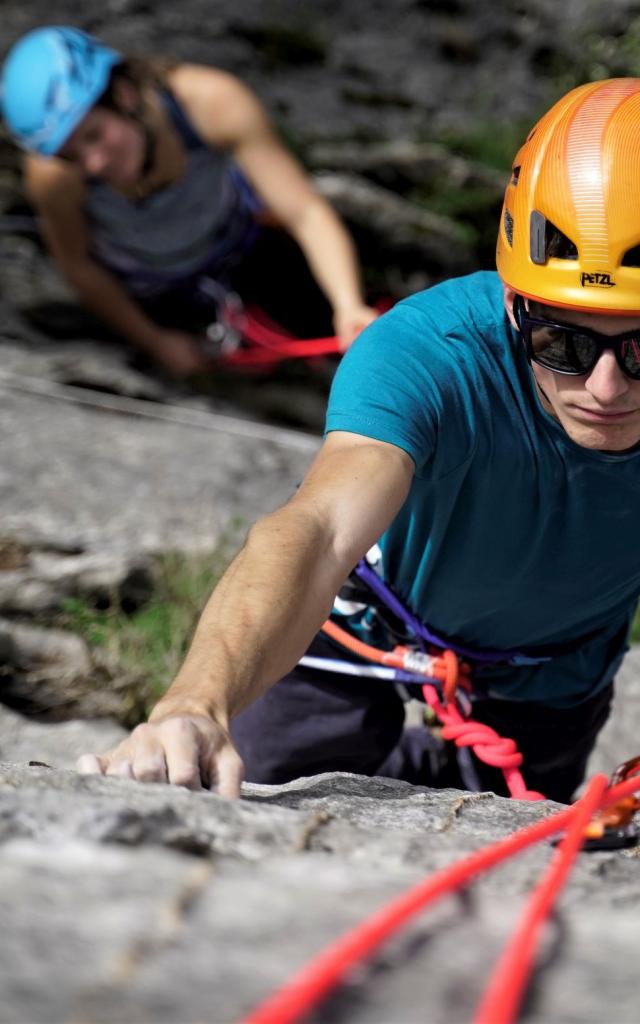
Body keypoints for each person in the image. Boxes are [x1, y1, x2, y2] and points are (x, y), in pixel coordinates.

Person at [78, 77, 640, 804]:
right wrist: (195, 704)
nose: (605, 387)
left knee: (513, 834)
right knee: (273, 774)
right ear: (512, 301)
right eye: (562, 343)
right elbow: (316, 530)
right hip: (361, 630)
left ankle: (417, 767)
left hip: (552, 670)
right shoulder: (428, 351)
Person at [0, 26, 377, 376]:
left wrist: (347, 304)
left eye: (95, 135)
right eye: (71, 155)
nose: (92, 163)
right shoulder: (54, 176)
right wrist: (153, 340)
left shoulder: (210, 104)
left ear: (124, 94)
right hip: (155, 293)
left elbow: (303, 209)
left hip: (241, 249)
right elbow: (78, 263)